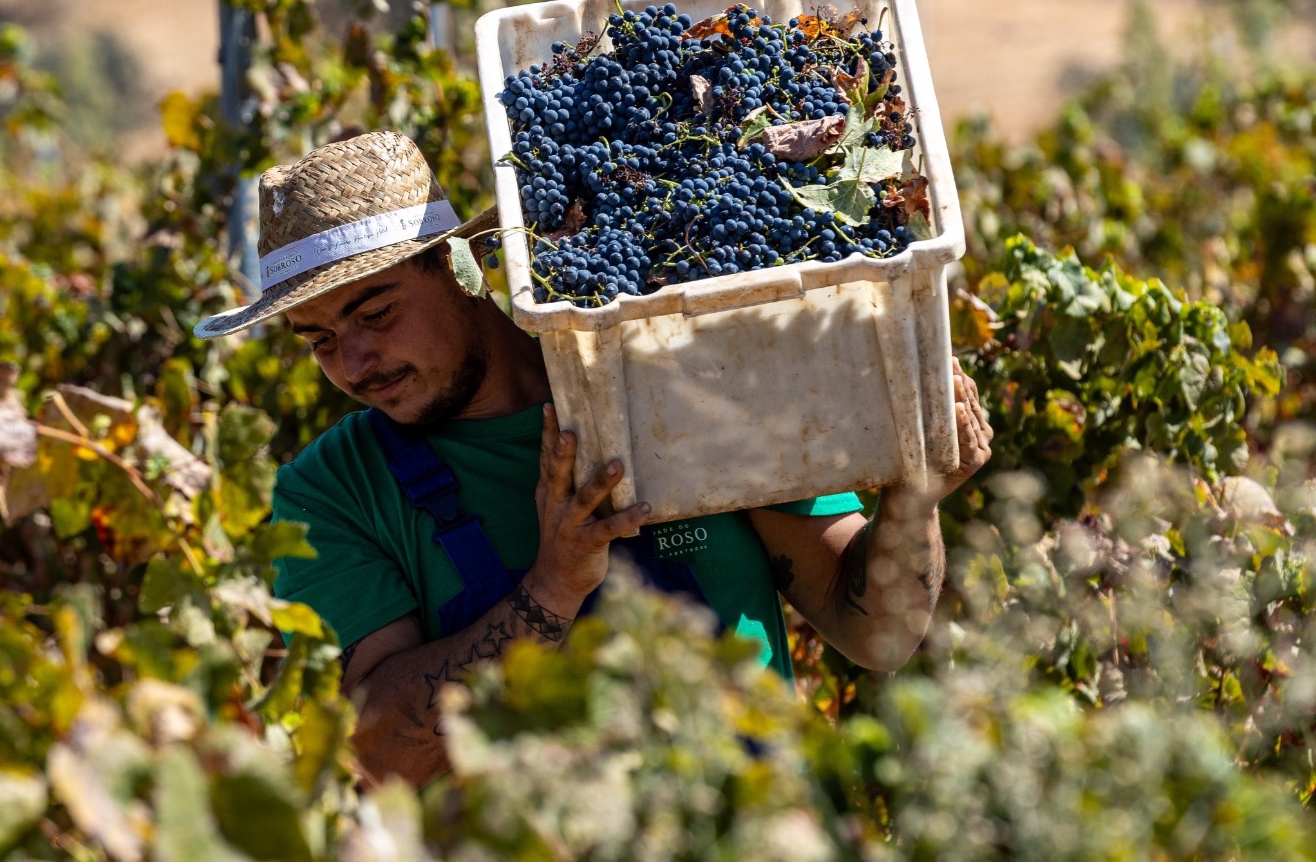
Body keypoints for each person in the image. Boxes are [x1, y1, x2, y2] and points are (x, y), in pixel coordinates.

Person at [194, 130, 994, 788]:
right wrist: (552, 589)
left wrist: (917, 496)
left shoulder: (674, 379)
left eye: (376, 312)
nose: (356, 362)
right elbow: (379, 750)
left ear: (462, 271)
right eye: (320, 341)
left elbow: (878, 631)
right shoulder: (332, 491)